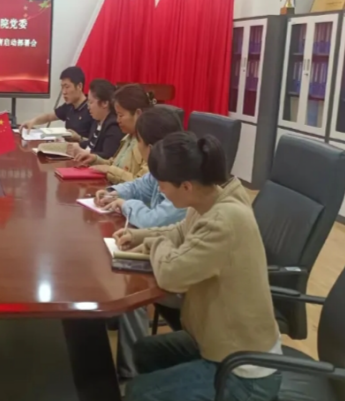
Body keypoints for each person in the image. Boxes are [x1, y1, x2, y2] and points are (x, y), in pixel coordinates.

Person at [117, 132, 282, 401]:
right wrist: (139, 236)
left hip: (244, 371)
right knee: (143, 352)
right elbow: (180, 231)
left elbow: (170, 274)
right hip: (215, 340)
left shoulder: (224, 220)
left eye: (162, 185)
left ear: (186, 186)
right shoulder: (207, 199)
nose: (160, 191)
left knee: (138, 392)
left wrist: (156, 244)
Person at [92, 106, 186, 381]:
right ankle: (105, 323)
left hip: (187, 278)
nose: (136, 148)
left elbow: (156, 220)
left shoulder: (180, 178)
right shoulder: (163, 168)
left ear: (152, 148)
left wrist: (126, 205)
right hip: (172, 254)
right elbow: (138, 187)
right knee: (115, 260)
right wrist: (112, 192)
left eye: (139, 143)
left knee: (132, 286)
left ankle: (130, 375)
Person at [76, 84, 153, 184]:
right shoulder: (129, 137)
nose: (117, 120)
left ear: (138, 114)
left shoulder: (149, 142)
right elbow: (116, 164)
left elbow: (142, 184)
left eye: (121, 115)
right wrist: (95, 159)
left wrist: (109, 170)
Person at [19, 66, 93, 141]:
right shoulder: (69, 106)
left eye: (67, 87)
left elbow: (96, 144)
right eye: (62, 87)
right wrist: (32, 121)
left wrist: (79, 138)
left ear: (79, 86)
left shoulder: (91, 109)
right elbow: (48, 117)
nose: (64, 92)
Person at [67, 79, 123, 159]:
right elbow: (91, 145)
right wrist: (77, 145)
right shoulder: (96, 121)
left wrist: (82, 151)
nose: (88, 107)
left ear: (105, 103)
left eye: (91, 102)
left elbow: (108, 156)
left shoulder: (113, 126)